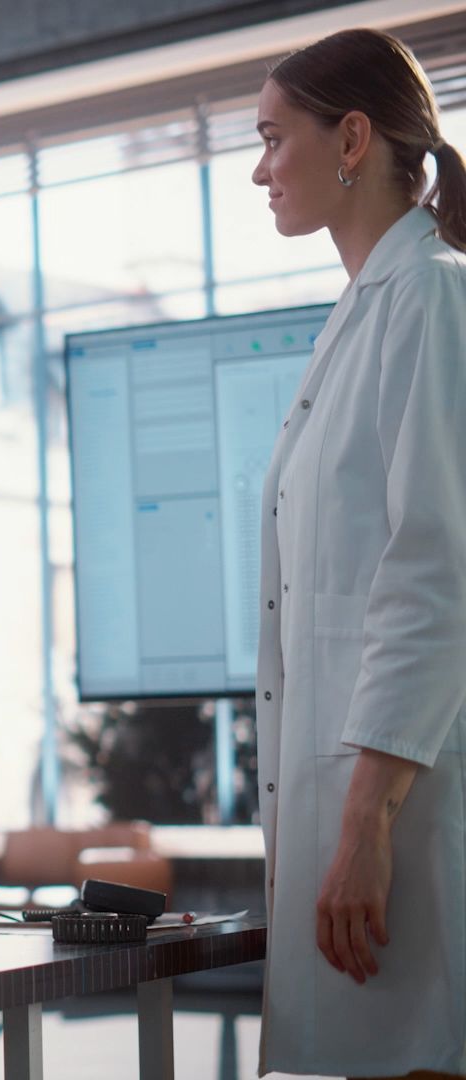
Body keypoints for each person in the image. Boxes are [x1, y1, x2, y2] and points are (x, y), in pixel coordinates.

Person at [250, 28, 466, 1079]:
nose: (257, 169)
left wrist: (367, 822)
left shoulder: (430, 297)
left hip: (407, 820)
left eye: (270, 137)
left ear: (349, 138)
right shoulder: (369, 308)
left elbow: (436, 574)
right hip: (363, 810)